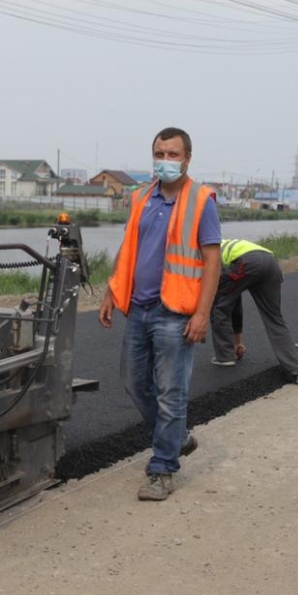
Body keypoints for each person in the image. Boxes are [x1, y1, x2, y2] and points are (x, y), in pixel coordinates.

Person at [98, 127, 221, 502]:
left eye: (172, 154)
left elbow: (212, 260)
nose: (165, 161)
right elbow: (129, 247)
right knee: (134, 382)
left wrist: (202, 315)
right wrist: (111, 289)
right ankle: (178, 437)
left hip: (176, 312)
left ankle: (163, 468)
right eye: (159, 153)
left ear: (187, 158)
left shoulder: (201, 201)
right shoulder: (141, 198)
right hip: (139, 308)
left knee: (172, 393)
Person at [209, 239, 298, 385]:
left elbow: (226, 302)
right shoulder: (220, 242)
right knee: (274, 318)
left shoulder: (208, 251)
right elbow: (235, 302)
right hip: (270, 262)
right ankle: (296, 371)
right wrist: (238, 342)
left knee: (219, 307)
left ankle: (225, 357)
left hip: (246, 262)